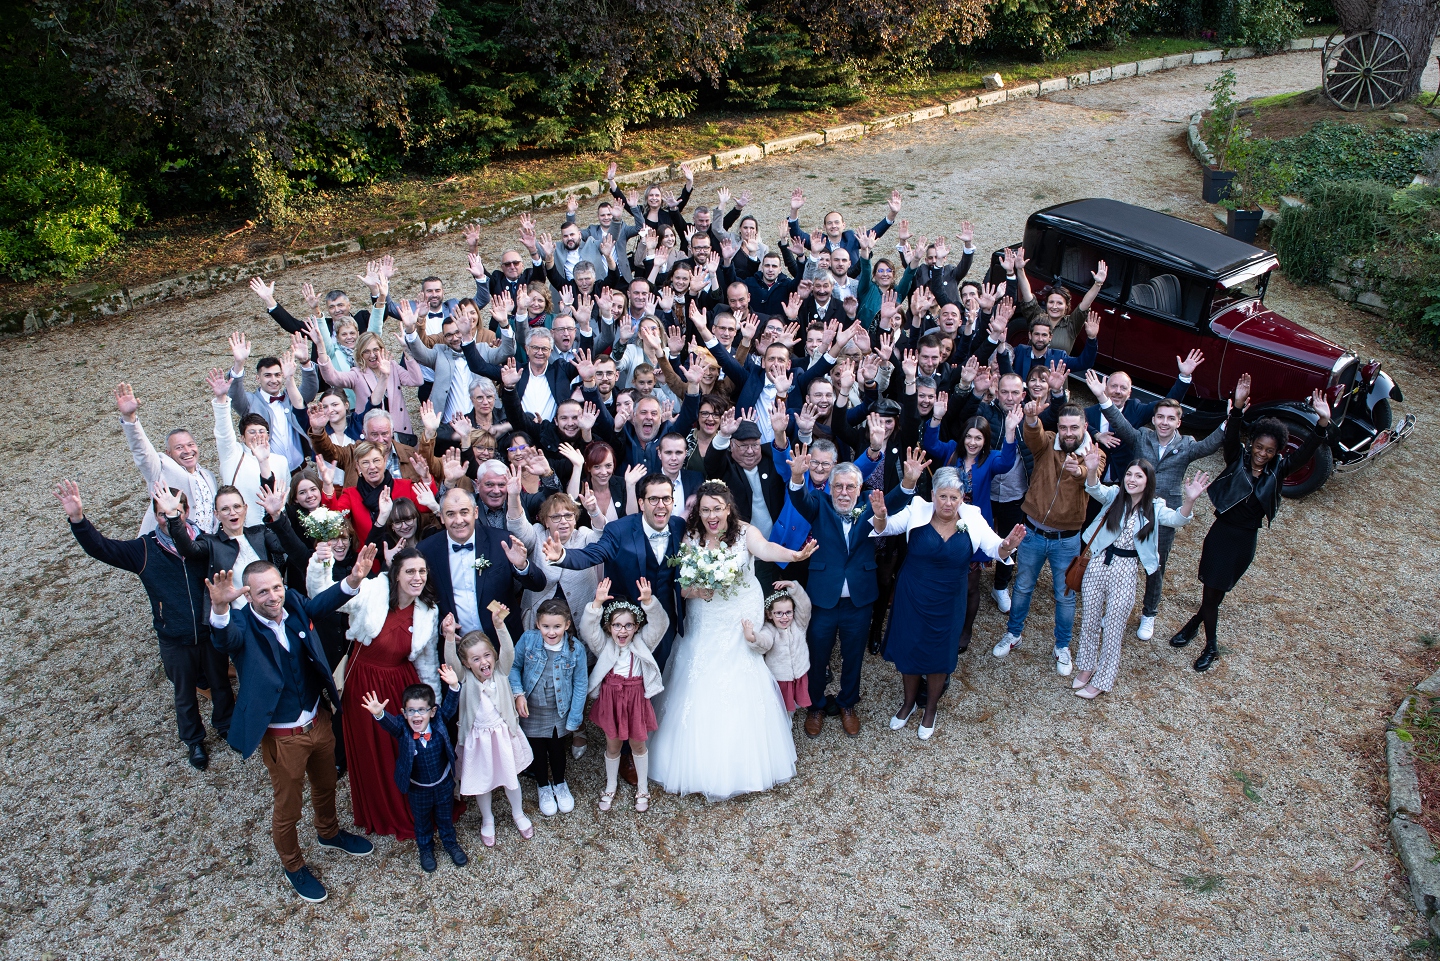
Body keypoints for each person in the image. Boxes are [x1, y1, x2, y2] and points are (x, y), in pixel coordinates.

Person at [204, 544, 381, 904]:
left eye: (276, 587)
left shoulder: (294, 604)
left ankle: (328, 833)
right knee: (288, 806)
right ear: (248, 595)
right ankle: (293, 864)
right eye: (263, 591)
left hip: (319, 721)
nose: (273, 596)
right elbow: (223, 639)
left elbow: (321, 604)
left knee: (327, 783)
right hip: (283, 738)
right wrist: (220, 608)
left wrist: (352, 580)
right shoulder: (240, 624)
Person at [646, 480, 817, 801]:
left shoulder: (745, 532)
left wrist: (794, 556)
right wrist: (698, 590)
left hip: (739, 617)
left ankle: (747, 758)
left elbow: (766, 549)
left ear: (728, 508)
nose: (711, 516)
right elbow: (681, 586)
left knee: (744, 672)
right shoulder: (691, 537)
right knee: (699, 674)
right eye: (705, 509)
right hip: (705, 618)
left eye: (717, 509)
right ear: (699, 511)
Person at [58, 479, 234, 771]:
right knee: (184, 692)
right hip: (174, 637)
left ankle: (226, 725)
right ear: (155, 515)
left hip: (208, 630)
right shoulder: (143, 549)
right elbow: (102, 548)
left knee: (220, 683)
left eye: (175, 511)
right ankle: (194, 741)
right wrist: (78, 519)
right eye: (163, 513)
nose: (168, 518)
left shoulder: (205, 542)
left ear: (186, 511)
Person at [1172, 376, 1332, 672]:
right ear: (1253, 443)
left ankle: (1194, 624)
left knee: (1216, 595)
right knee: (1210, 592)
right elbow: (1231, 437)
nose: (1262, 453)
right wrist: (1238, 407)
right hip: (1222, 535)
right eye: (1259, 447)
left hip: (1245, 542)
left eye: (1269, 451)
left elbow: (1307, 451)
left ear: (1277, 452)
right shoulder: (1237, 459)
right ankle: (1211, 647)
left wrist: (1322, 423)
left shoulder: (1280, 469)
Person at [871, 463, 1025, 739]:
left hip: (949, 599)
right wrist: (881, 516)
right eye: (943, 496)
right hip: (913, 595)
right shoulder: (917, 509)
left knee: (940, 655)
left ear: (963, 498)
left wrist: (1009, 544)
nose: (948, 502)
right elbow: (885, 528)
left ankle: (930, 709)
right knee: (911, 649)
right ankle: (907, 704)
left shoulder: (973, 518)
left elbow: (995, 547)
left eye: (955, 497)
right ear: (933, 494)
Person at [1083, 371, 1227, 642]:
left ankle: (1149, 613)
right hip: (1130, 511)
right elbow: (1118, 421)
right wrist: (1102, 396)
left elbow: (1212, 444)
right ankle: (1114, 609)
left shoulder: (1187, 445)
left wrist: (1232, 418)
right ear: (1153, 419)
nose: (1164, 422)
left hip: (1163, 515)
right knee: (1122, 562)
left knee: (1155, 565)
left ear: (1179, 422)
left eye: (1171, 418)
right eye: (1160, 417)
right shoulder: (1141, 438)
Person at [307, 546, 440, 839]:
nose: (417, 577)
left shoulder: (428, 610)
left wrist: (432, 705)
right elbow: (323, 595)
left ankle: (411, 805)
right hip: (365, 685)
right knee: (372, 747)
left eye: (422, 571)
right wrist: (323, 564)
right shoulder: (372, 591)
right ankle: (379, 809)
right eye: (410, 571)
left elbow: (427, 662)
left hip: (401, 684)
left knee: (402, 748)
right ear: (396, 575)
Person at [785, 452, 912, 738]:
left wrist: (908, 481)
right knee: (817, 655)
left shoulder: (870, 505)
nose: (844, 492)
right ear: (830, 487)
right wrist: (796, 476)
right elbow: (799, 499)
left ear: (859, 488)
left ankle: (847, 703)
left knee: (853, 656)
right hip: (823, 599)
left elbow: (895, 500)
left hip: (859, 599)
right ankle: (815, 705)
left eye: (850, 487)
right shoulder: (818, 504)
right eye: (838, 486)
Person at [1073, 454, 1210, 698]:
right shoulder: (1115, 495)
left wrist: (1189, 500)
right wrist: (1092, 470)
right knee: (1090, 620)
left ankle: (1102, 680)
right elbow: (1094, 488)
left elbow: (1177, 519)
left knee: (1114, 628)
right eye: (1129, 474)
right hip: (1097, 563)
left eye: (1138, 476)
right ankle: (1085, 667)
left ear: (1148, 481)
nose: (1131, 480)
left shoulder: (1154, 507)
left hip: (1125, 570)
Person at [992, 399, 1103, 677]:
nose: (1068, 432)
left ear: (1085, 427)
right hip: (1032, 533)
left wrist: (1081, 471)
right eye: (1063, 426)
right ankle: (1013, 633)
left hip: (1067, 540)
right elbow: (1034, 435)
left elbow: (1092, 477)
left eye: (1074, 427)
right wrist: (1030, 418)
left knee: (1065, 597)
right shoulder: (1048, 443)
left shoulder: (1094, 454)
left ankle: (1062, 646)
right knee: (1023, 587)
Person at [542, 473, 689, 668]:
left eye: (666, 498)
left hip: (666, 615)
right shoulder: (619, 530)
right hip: (626, 619)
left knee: (663, 669)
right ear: (641, 503)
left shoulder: (679, 526)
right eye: (653, 499)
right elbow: (593, 553)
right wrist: (563, 556)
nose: (661, 505)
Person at [446, 607, 535, 845]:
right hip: (478, 740)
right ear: (466, 663)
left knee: (510, 777)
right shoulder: (465, 678)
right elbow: (450, 662)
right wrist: (447, 638)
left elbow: (509, 649)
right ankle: (488, 819)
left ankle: (518, 812)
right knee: (481, 782)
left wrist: (499, 625)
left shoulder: (501, 671)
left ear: (493, 655)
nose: (483, 662)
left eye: (487, 655)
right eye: (475, 659)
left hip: (503, 735)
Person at [579, 577, 668, 812]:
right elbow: (587, 629)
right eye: (617, 625)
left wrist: (649, 602)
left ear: (637, 627)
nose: (623, 630)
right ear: (609, 627)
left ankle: (642, 788)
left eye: (628, 625)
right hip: (611, 699)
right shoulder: (604, 645)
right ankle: (610, 785)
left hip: (635, 699)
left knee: (638, 745)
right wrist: (596, 605)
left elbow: (660, 624)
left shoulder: (643, 643)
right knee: (613, 745)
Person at [359, 682, 467, 873]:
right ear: (404, 712)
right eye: (411, 711)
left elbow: (450, 706)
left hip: (442, 785)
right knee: (422, 821)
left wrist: (453, 686)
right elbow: (391, 725)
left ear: (432, 712)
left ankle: (450, 844)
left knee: (445, 818)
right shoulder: (402, 727)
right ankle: (425, 849)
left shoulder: (439, 720)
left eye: (421, 710)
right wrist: (379, 714)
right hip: (418, 789)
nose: (416, 715)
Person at [419, 487, 546, 646]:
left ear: (476, 512)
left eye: (464, 512)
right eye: (451, 514)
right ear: (442, 517)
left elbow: (539, 584)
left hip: (504, 641)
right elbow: (423, 599)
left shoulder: (501, 541)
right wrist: (440, 627)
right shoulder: (426, 551)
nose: (459, 520)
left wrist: (522, 565)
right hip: (455, 645)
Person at [507, 597, 588, 818]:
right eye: (545, 626)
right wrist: (518, 694)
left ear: (567, 625)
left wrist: (575, 716)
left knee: (557, 748)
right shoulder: (528, 640)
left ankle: (560, 783)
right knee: (537, 750)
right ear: (537, 624)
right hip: (531, 709)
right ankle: (543, 786)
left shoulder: (576, 649)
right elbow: (514, 667)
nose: (551, 632)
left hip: (558, 709)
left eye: (557, 627)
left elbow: (581, 684)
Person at [114, 382, 219, 535]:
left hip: (202, 548)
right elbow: (142, 451)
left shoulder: (208, 476)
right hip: (168, 546)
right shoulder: (160, 467)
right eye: (179, 447)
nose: (187, 451)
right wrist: (130, 418)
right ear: (168, 453)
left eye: (190, 444)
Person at [743, 580, 813, 714]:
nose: (785, 617)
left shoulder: (799, 624)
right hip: (781, 678)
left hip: (799, 673)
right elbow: (764, 642)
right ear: (769, 614)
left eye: (788, 612)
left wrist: (794, 587)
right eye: (779, 613)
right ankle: (785, 722)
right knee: (782, 707)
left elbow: (805, 607)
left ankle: (791, 714)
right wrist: (752, 637)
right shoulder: (770, 630)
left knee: (794, 702)